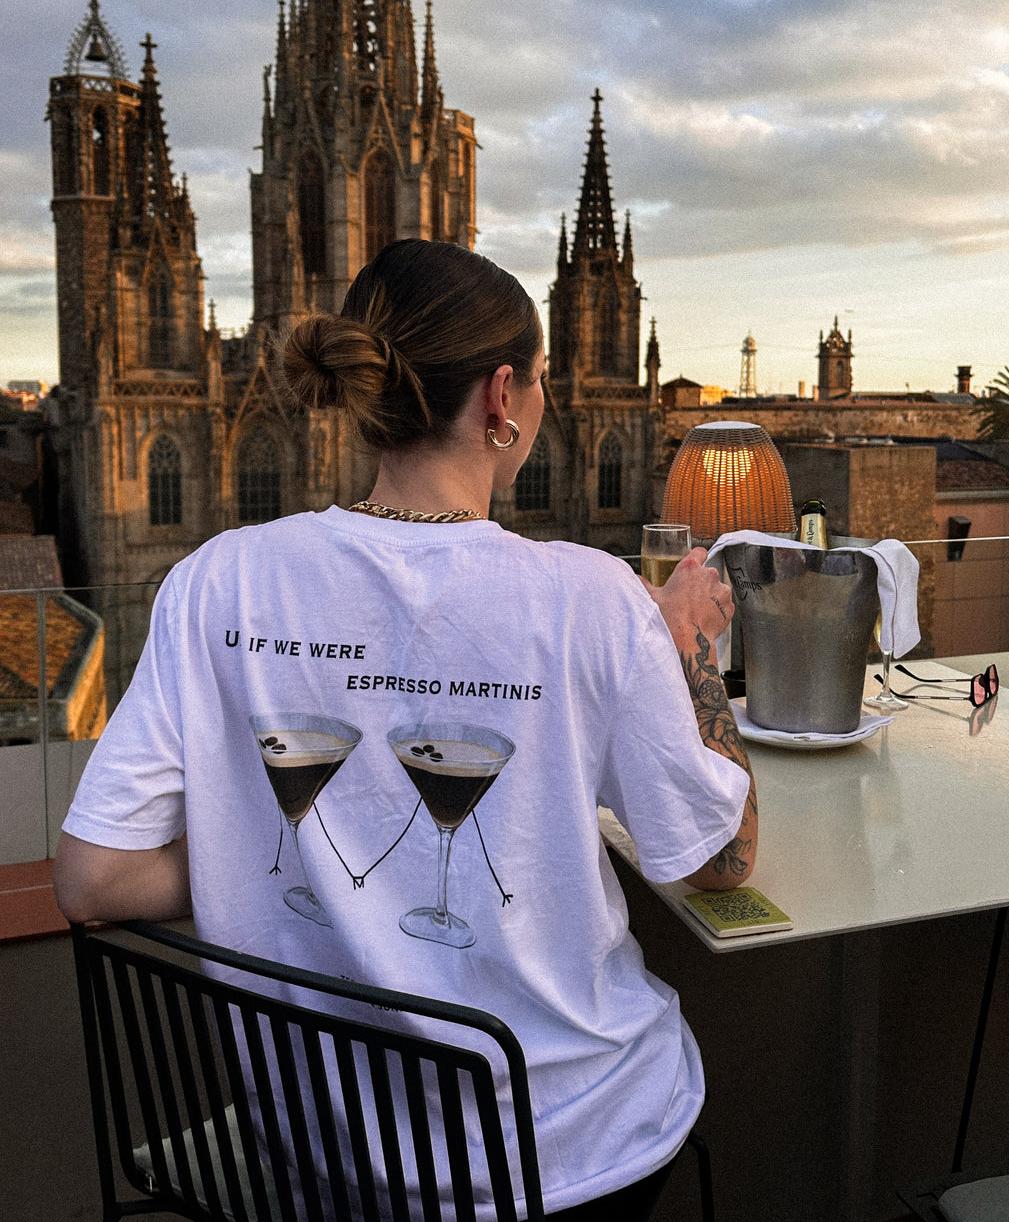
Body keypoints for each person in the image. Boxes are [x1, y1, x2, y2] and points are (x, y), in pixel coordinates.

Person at [54, 238, 756, 1221]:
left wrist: (273, 843)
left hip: (327, 1157)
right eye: (540, 377)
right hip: (572, 1154)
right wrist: (685, 648)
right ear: (503, 397)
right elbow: (719, 861)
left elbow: (93, 880)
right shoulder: (593, 597)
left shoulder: (214, 581)